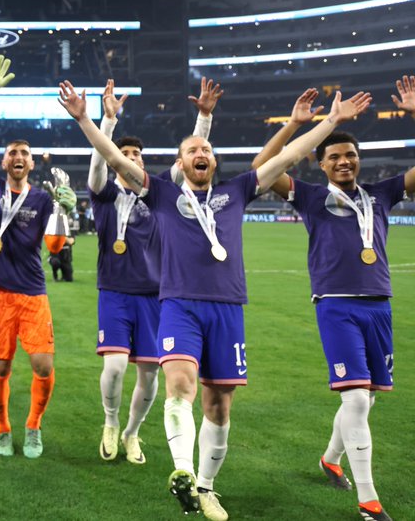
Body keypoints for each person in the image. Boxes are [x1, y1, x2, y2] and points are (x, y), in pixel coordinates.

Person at [59, 80, 371, 521]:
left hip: (227, 309)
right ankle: (183, 472)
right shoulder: (163, 194)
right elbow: (111, 158)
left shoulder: (236, 191)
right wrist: (86, 119)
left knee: (219, 406)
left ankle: (206, 487)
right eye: (190, 149)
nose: (199, 153)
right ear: (180, 163)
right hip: (178, 305)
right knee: (179, 388)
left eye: (205, 148)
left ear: (213, 159)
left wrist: (331, 122)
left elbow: (288, 156)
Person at [249, 79, 415, 521]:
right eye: (335, 157)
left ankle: (329, 459)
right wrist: (299, 125)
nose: (344, 161)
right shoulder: (309, 196)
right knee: (357, 400)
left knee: (365, 400)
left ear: (359, 161)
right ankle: (368, 500)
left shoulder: (380, 194)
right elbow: (260, 166)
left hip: (379, 305)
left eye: (350, 156)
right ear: (321, 164)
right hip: (336, 304)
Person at [88, 77, 220, 465]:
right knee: (114, 366)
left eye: (136, 154)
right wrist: (107, 123)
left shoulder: (160, 191)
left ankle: (131, 433)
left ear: (142, 163)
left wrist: (204, 117)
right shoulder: (104, 194)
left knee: (150, 376)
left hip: (153, 294)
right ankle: (111, 422)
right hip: (114, 291)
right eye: (123, 153)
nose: (130, 158)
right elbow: (99, 163)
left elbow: (191, 158)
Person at [0, 55, 77, 459]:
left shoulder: (42, 199)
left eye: (25, 154)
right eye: (12, 152)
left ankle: (33, 426)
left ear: (32, 164)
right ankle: (2, 428)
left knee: (43, 366)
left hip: (33, 293)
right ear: (4, 161)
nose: (18, 157)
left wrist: (64, 213)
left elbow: (53, 249)